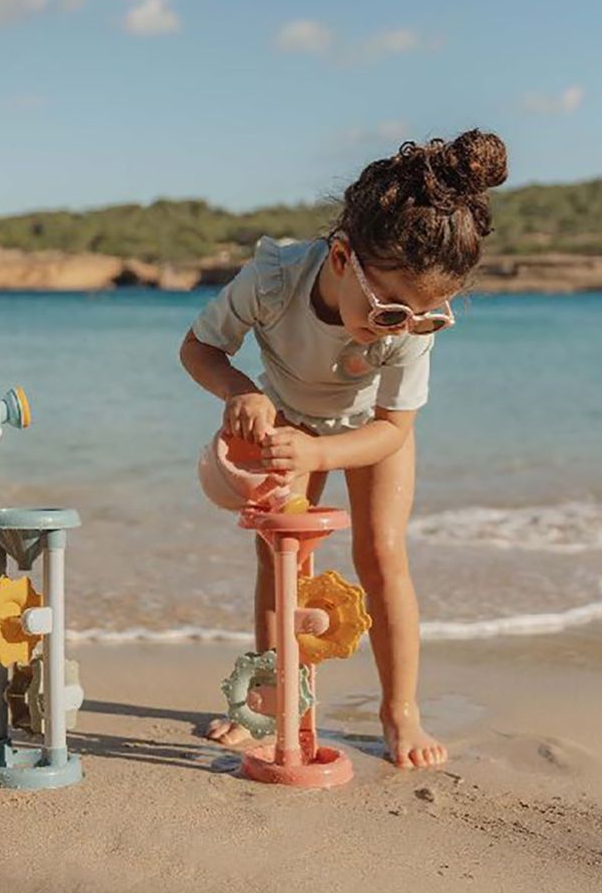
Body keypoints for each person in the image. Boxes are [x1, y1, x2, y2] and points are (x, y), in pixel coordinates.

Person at [180, 130, 507, 768]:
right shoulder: (273, 280)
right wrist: (240, 393)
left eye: (427, 317)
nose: (405, 327)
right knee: (282, 562)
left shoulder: (415, 319)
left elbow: (393, 428)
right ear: (339, 259)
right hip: (286, 418)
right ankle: (277, 701)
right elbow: (199, 349)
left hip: (371, 431)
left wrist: (321, 454)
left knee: (382, 556)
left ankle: (399, 712)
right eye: (388, 314)